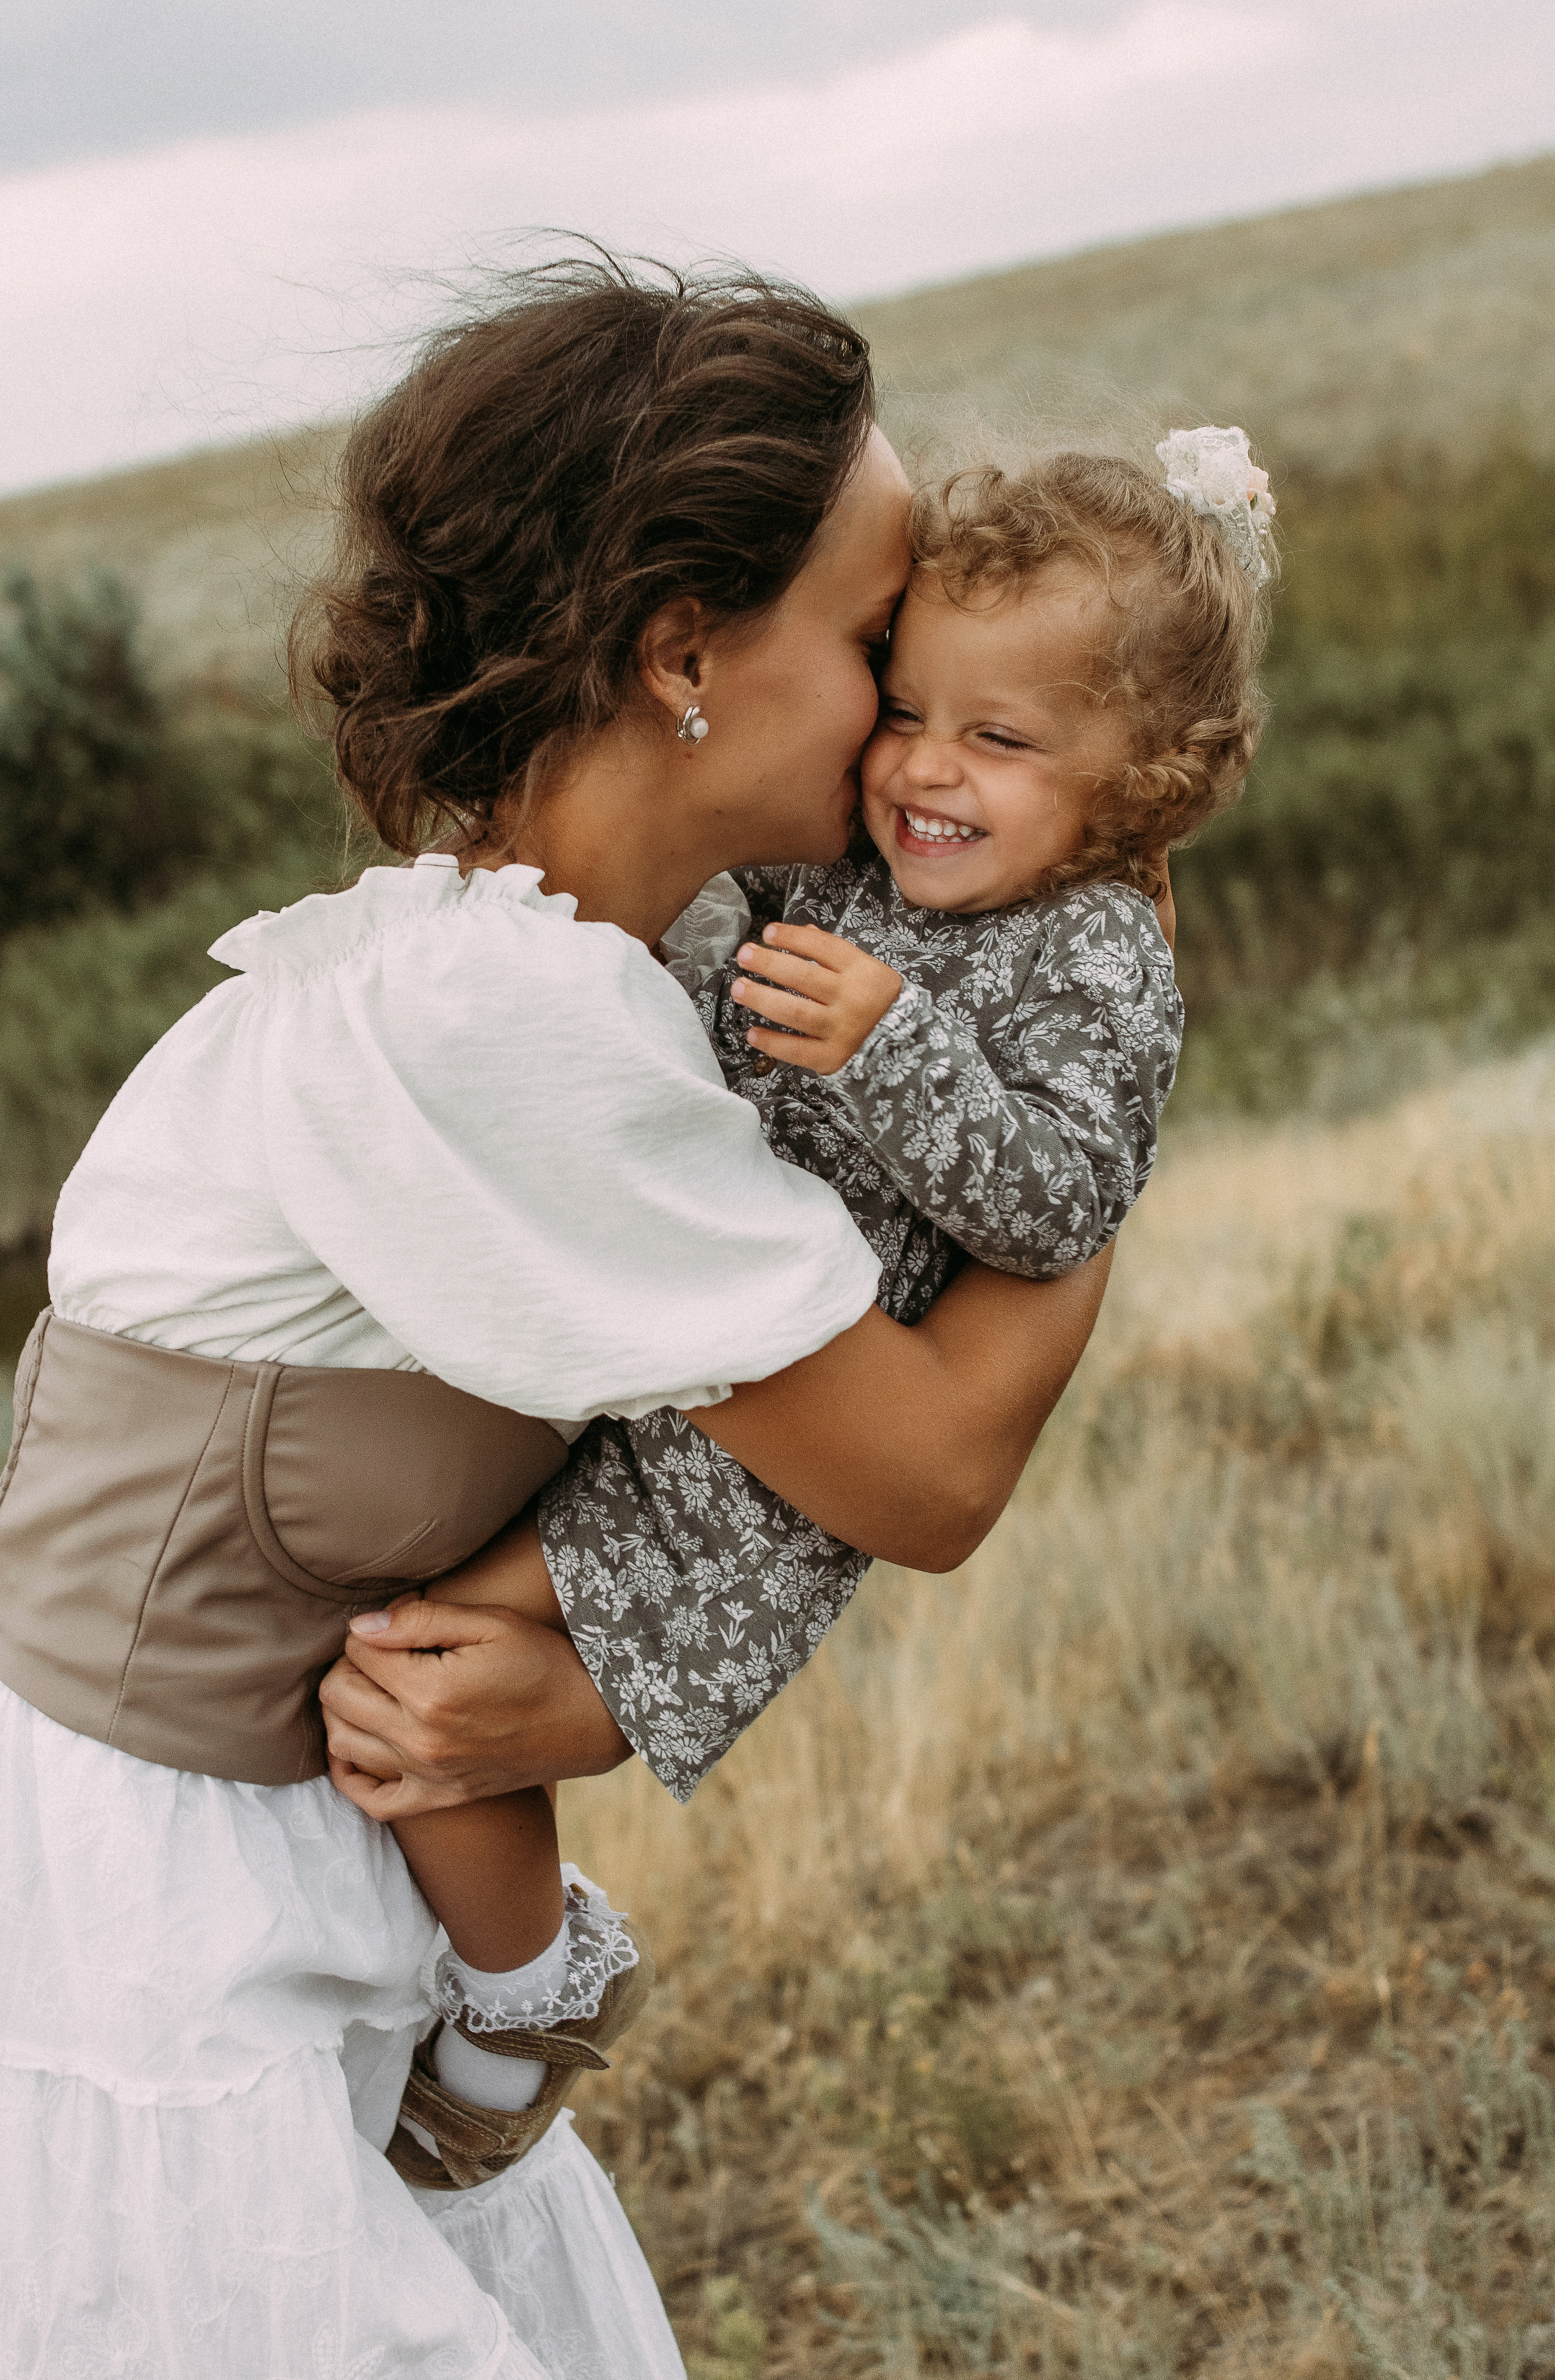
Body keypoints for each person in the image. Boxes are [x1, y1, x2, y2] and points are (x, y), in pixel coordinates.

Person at [0, 262, 1114, 2380]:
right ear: (685, 652)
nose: (906, 704)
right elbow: (932, 1474)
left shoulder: (602, 951)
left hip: (298, 1872)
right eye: (876, 643)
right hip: (154, 1923)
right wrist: (1100, 1105)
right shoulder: (498, 1028)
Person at [321, 430, 1270, 2182]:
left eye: (999, 739)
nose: (922, 769)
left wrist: (898, 1045)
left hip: (759, 1490)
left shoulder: (1101, 961)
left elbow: (1060, 1207)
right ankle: (453, 1982)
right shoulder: (860, 868)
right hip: (660, 1374)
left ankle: (517, 2013)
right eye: (907, 707)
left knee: (408, 1669)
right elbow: (698, 927)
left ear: (1140, 781)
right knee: (394, 1655)